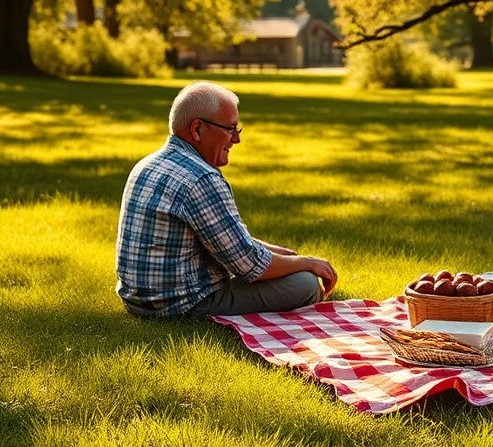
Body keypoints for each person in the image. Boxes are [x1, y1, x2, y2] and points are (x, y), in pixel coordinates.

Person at [115, 81, 338, 318]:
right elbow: (248, 265)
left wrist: (284, 255)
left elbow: (222, 238)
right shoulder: (201, 178)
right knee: (304, 284)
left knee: (289, 266)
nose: (236, 139)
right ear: (197, 129)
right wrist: (307, 263)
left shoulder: (149, 164)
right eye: (231, 129)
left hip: (138, 301)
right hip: (182, 304)